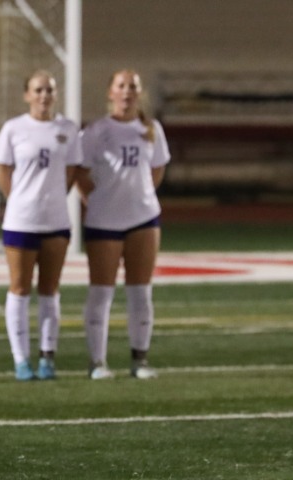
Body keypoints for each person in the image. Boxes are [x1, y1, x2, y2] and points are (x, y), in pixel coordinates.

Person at [76, 69, 171, 380]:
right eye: (121, 86)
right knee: (101, 291)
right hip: (104, 221)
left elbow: (157, 169)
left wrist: (140, 196)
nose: (127, 91)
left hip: (144, 219)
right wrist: (98, 200)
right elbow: (79, 173)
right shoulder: (96, 131)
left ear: (140, 93)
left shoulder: (151, 129)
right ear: (111, 92)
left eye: (133, 86)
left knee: (140, 291)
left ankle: (140, 360)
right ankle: (97, 362)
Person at [0, 70, 82, 381]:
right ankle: (21, 360)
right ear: (27, 94)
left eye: (49, 90)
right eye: (38, 90)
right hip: (21, 222)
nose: (44, 95)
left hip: (56, 221)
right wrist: (21, 200)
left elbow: (71, 172)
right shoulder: (13, 129)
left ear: (55, 95)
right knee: (19, 288)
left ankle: (47, 357)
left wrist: (51, 199)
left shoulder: (68, 129)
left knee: (50, 289)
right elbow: (3, 171)